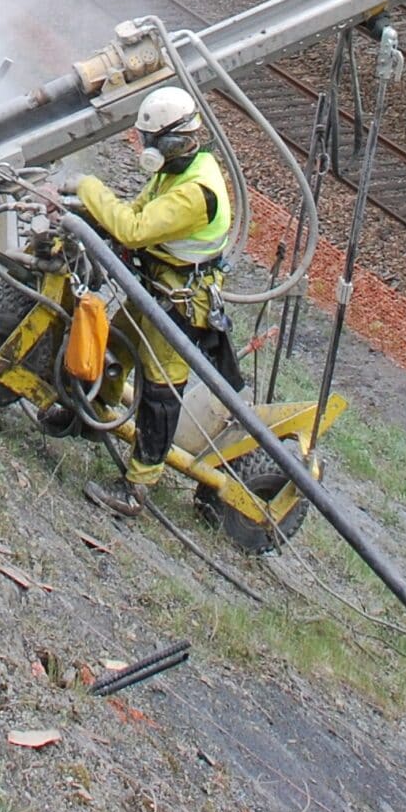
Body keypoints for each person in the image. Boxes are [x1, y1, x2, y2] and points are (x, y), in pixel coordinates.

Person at [68, 84, 242, 516]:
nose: (145, 149)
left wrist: (88, 187)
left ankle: (136, 490)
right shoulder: (176, 171)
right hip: (157, 289)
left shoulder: (196, 191)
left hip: (182, 305)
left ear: (171, 141)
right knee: (111, 349)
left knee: (160, 393)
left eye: (150, 142)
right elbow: (135, 210)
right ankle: (90, 416)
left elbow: (133, 229)